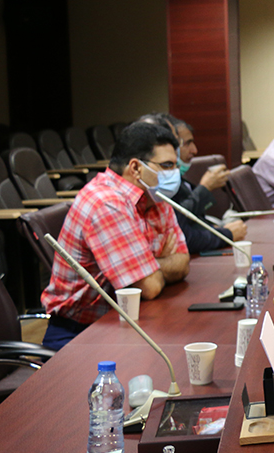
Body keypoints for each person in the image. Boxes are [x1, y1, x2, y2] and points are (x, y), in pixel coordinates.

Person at [40, 122, 190, 350]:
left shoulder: (155, 197)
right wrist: (152, 269)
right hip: (78, 334)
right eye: (167, 165)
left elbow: (183, 261)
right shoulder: (106, 203)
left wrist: (147, 266)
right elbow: (149, 287)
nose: (175, 173)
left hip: (127, 321)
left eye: (175, 165)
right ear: (136, 168)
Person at [137, 113, 247, 253]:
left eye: (177, 143)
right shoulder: (148, 188)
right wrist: (226, 235)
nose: (175, 150)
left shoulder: (170, 177)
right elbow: (185, 238)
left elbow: (180, 236)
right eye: (182, 143)